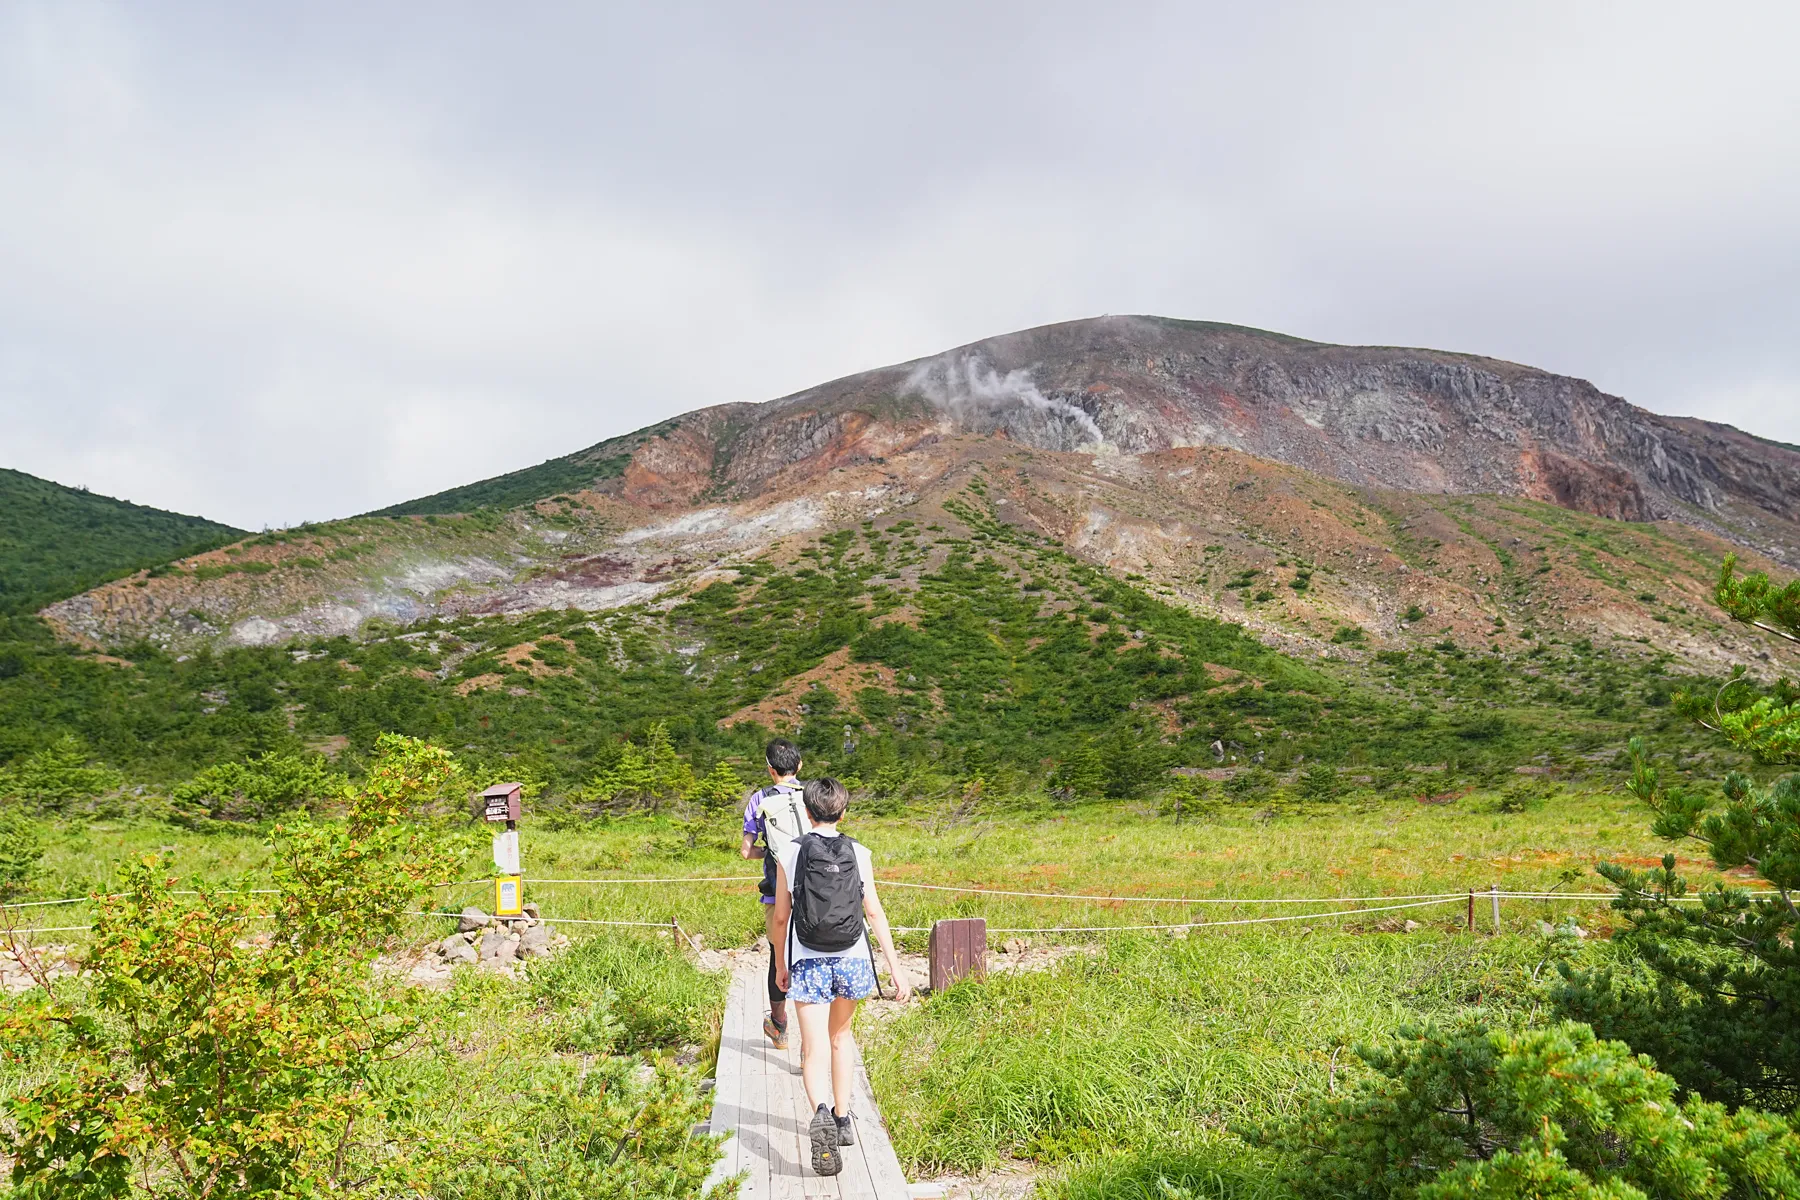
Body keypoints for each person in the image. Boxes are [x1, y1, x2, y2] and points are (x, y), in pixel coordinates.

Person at [772, 776, 911, 1177]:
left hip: (808, 959)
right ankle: (843, 1116)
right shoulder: (859, 851)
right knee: (841, 1039)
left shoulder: (790, 851)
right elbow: (874, 913)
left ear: (807, 811)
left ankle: (819, 1112)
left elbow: (781, 917)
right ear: (844, 811)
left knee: (812, 1047)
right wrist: (895, 968)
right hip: (851, 958)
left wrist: (782, 965)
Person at [739, 737, 809, 1048]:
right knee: (808, 958)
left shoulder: (760, 799)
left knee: (777, 957)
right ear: (799, 766)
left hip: (776, 893)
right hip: (813, 893)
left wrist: (769, 855)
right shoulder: (813, 795)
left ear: (770, 770)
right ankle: (811, 1045)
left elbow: (746, 851)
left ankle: (779, 1027)